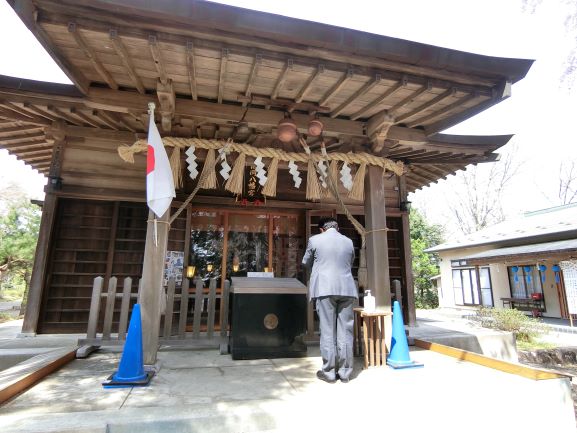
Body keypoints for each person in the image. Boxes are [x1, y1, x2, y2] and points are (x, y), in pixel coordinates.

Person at [302, 217, 357, 383]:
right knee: (346, 331)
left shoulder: (314, 240)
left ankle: (329, 372)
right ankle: (345, 373)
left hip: (325, 288)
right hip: (347, 288)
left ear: (322, 229)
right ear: (337, 228)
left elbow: (305, 262)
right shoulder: (348, 242)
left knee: (327, 330)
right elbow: (350, 262)